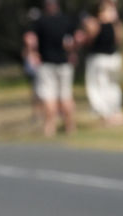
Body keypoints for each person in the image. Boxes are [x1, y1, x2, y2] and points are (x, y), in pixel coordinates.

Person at [25, 0, 79, 136]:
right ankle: (70, 126)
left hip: (46, 63)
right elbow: (75, 39)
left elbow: (29, 39)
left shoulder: (40, 21)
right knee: (66, 95)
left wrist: (32, 53)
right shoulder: (66, 21)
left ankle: (50, 127)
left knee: (50, 96)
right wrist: (73, 53)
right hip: (64, 63)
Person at [83, 0, 123, 124]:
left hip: (99, 59)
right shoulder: (115, 24)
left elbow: (90, 38)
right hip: (113, 58)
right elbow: (120, 39)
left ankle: (107, 114)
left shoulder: (95, 23)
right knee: (112, 86)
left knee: (99, 87)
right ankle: (115, 112)